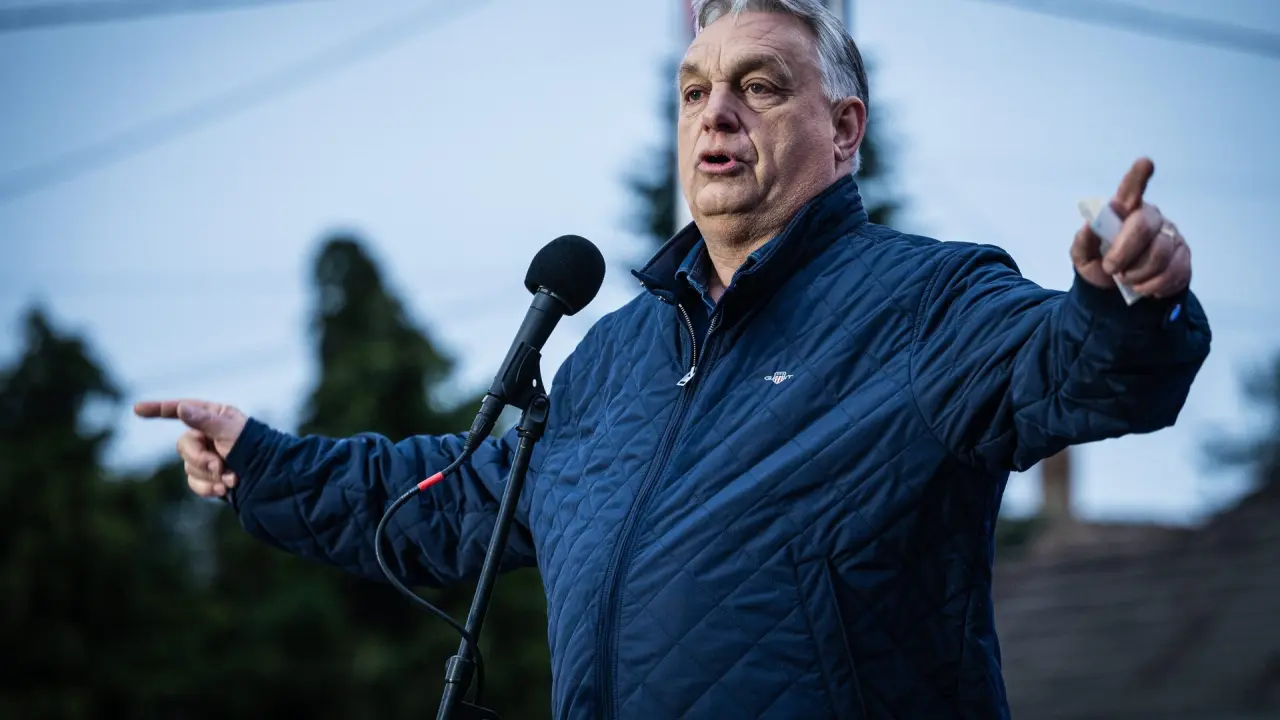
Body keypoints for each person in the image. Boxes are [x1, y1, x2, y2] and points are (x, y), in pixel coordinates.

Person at [136, 1, 1211, 717]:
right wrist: (259, 463)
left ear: (844, 131)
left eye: (760, 86)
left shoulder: (924, 301)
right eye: (694, 91)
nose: (717, 115)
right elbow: (449, 499)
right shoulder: (611, 360)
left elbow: (1071, 368)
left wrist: (1126, 302)